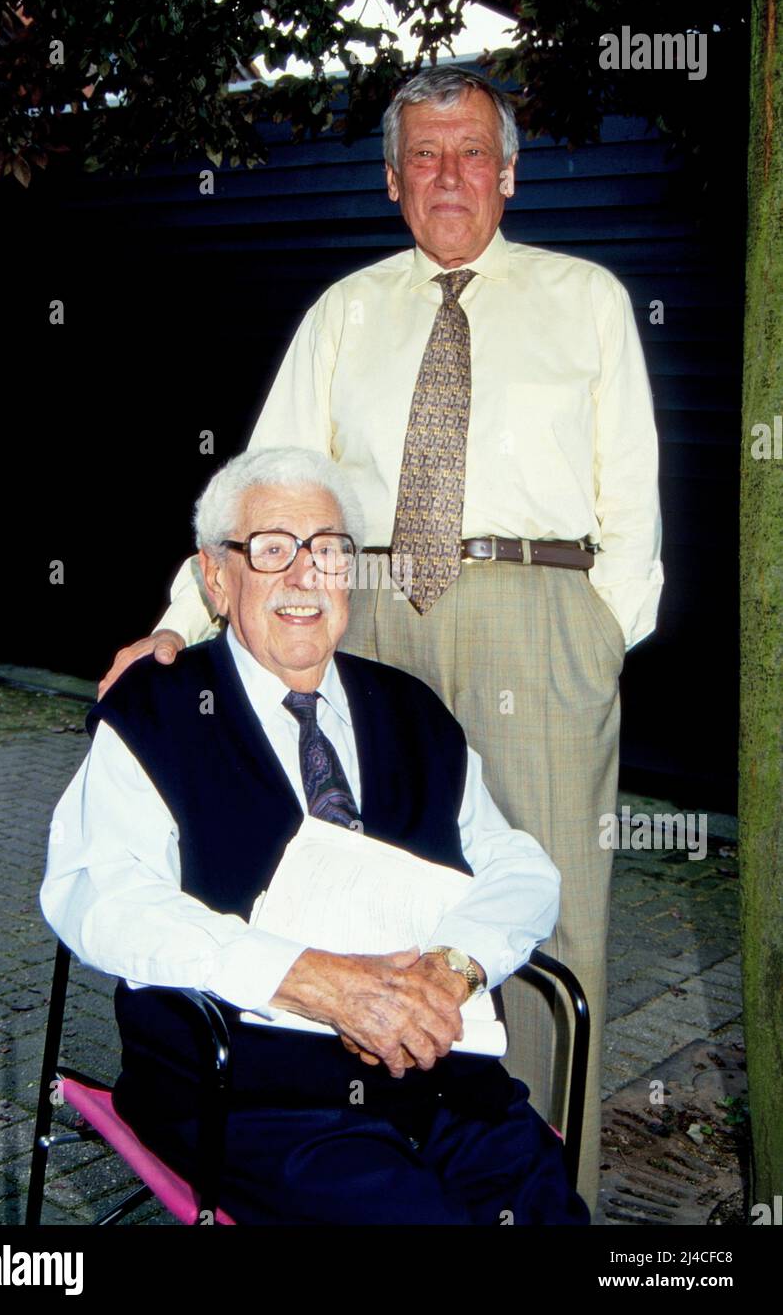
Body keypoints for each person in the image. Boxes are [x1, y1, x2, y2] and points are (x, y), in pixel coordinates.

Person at [98, 67, 663, 1212]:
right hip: (369, 615)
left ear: (505, 175)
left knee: (545, 917)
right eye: (422, 156)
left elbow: (633, 511)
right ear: (392, 180)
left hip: (534, 615)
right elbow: (264, 485)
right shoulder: (343, 311)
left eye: (468, 154)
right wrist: (178, 624)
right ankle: (359, 1150)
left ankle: (539, 1186)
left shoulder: (587, 297)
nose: (445, 176)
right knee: (358, 885)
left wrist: (593, 634)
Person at [42, 447, 588, 1225]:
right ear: (216, 578)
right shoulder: (157, 712)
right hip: (251, 1092)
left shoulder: (411, 711)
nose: (305, 577)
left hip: (438, 1075)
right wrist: (311, 978)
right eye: (271, 550)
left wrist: (453, 967)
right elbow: (101, 898)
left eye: (329, 551)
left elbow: (516, 866)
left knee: (546, 1211)